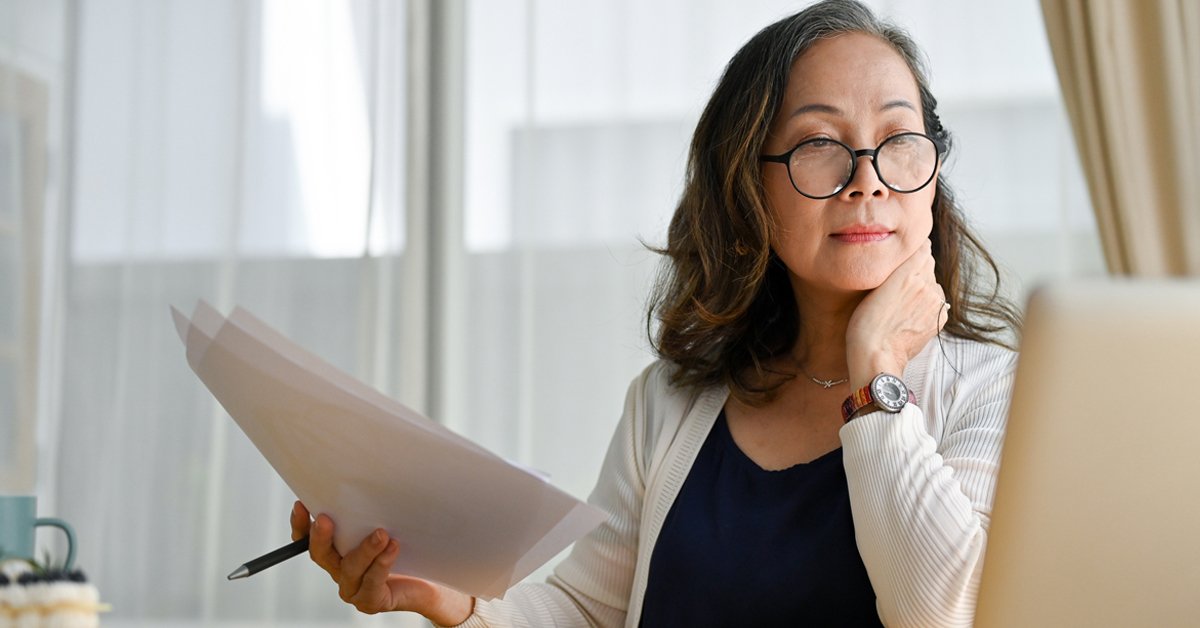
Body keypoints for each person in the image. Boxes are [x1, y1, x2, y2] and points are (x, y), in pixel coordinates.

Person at [289, 0, 1022, 625]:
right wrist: (456, 601)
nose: (867, 178)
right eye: (819, 144)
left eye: (899, 139)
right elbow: (586, 612)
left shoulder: (998, 392)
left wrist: (876, 369)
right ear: (749, 190)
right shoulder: (668, 403)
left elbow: (938, 613)